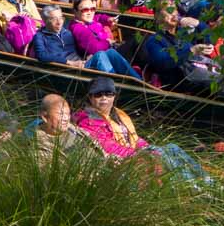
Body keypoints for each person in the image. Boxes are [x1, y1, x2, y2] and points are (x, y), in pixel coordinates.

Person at [72, 77, 208, 183]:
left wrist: (146, 147)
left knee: (172, 147)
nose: (104, 98)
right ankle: (188, 183)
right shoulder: (88, 121)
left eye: (108, 94)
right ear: (90, 97)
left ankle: (206, 180)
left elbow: (133, 137)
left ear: (114, 96)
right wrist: (139, 152)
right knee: (159, 153)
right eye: (98, 95)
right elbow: (107, 146)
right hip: (119, 161)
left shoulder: (117, 114)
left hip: (133, 153)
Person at [69, 0, 143, 78]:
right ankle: (115, 82)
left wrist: (107, 19)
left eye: (93, 9)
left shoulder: (88, 20)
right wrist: (108, 42)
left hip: (108, 50)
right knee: (105, 53)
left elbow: (99, 17)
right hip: (93, 60)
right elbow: (95, 48)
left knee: (136, 41)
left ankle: (138, 79)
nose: (90, 12)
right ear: (75, 11)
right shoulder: (78, 28)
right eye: (85, 10)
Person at [31, 94, 90, 160]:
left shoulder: (73, 129)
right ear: (45, 117)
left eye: (68, 113)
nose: (66, 118)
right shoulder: (39, 145)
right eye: (61, 114)